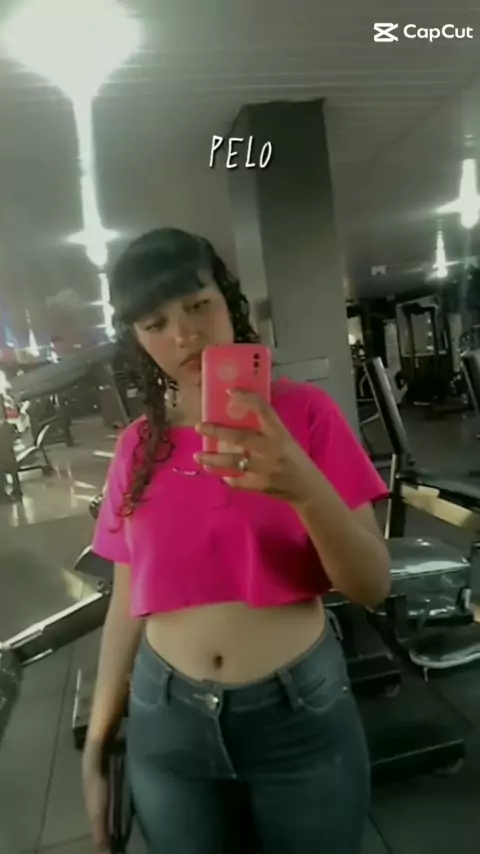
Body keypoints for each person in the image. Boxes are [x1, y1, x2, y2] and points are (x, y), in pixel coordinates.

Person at [82, 227, 391, 854]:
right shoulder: (137, 448)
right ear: (138, 340)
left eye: (199, 306)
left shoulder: (306, 415)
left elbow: (372, 587)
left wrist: (303, 487)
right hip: (165, 719)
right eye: (155, 323)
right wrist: (98, 739)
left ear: (229, 303)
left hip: (298, 712)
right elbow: (126, 602)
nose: (184, 334)